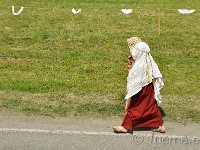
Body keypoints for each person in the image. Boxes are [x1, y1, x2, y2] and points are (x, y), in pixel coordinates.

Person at [113, 37, 165, 133]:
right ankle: (157, 125)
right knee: (151, 106)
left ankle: (126, 126)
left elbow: (134, 80)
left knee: (136, 107)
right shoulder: (147, 60)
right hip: (149, 87)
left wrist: (130, 71)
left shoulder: (139, 66)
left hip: (140, 90)